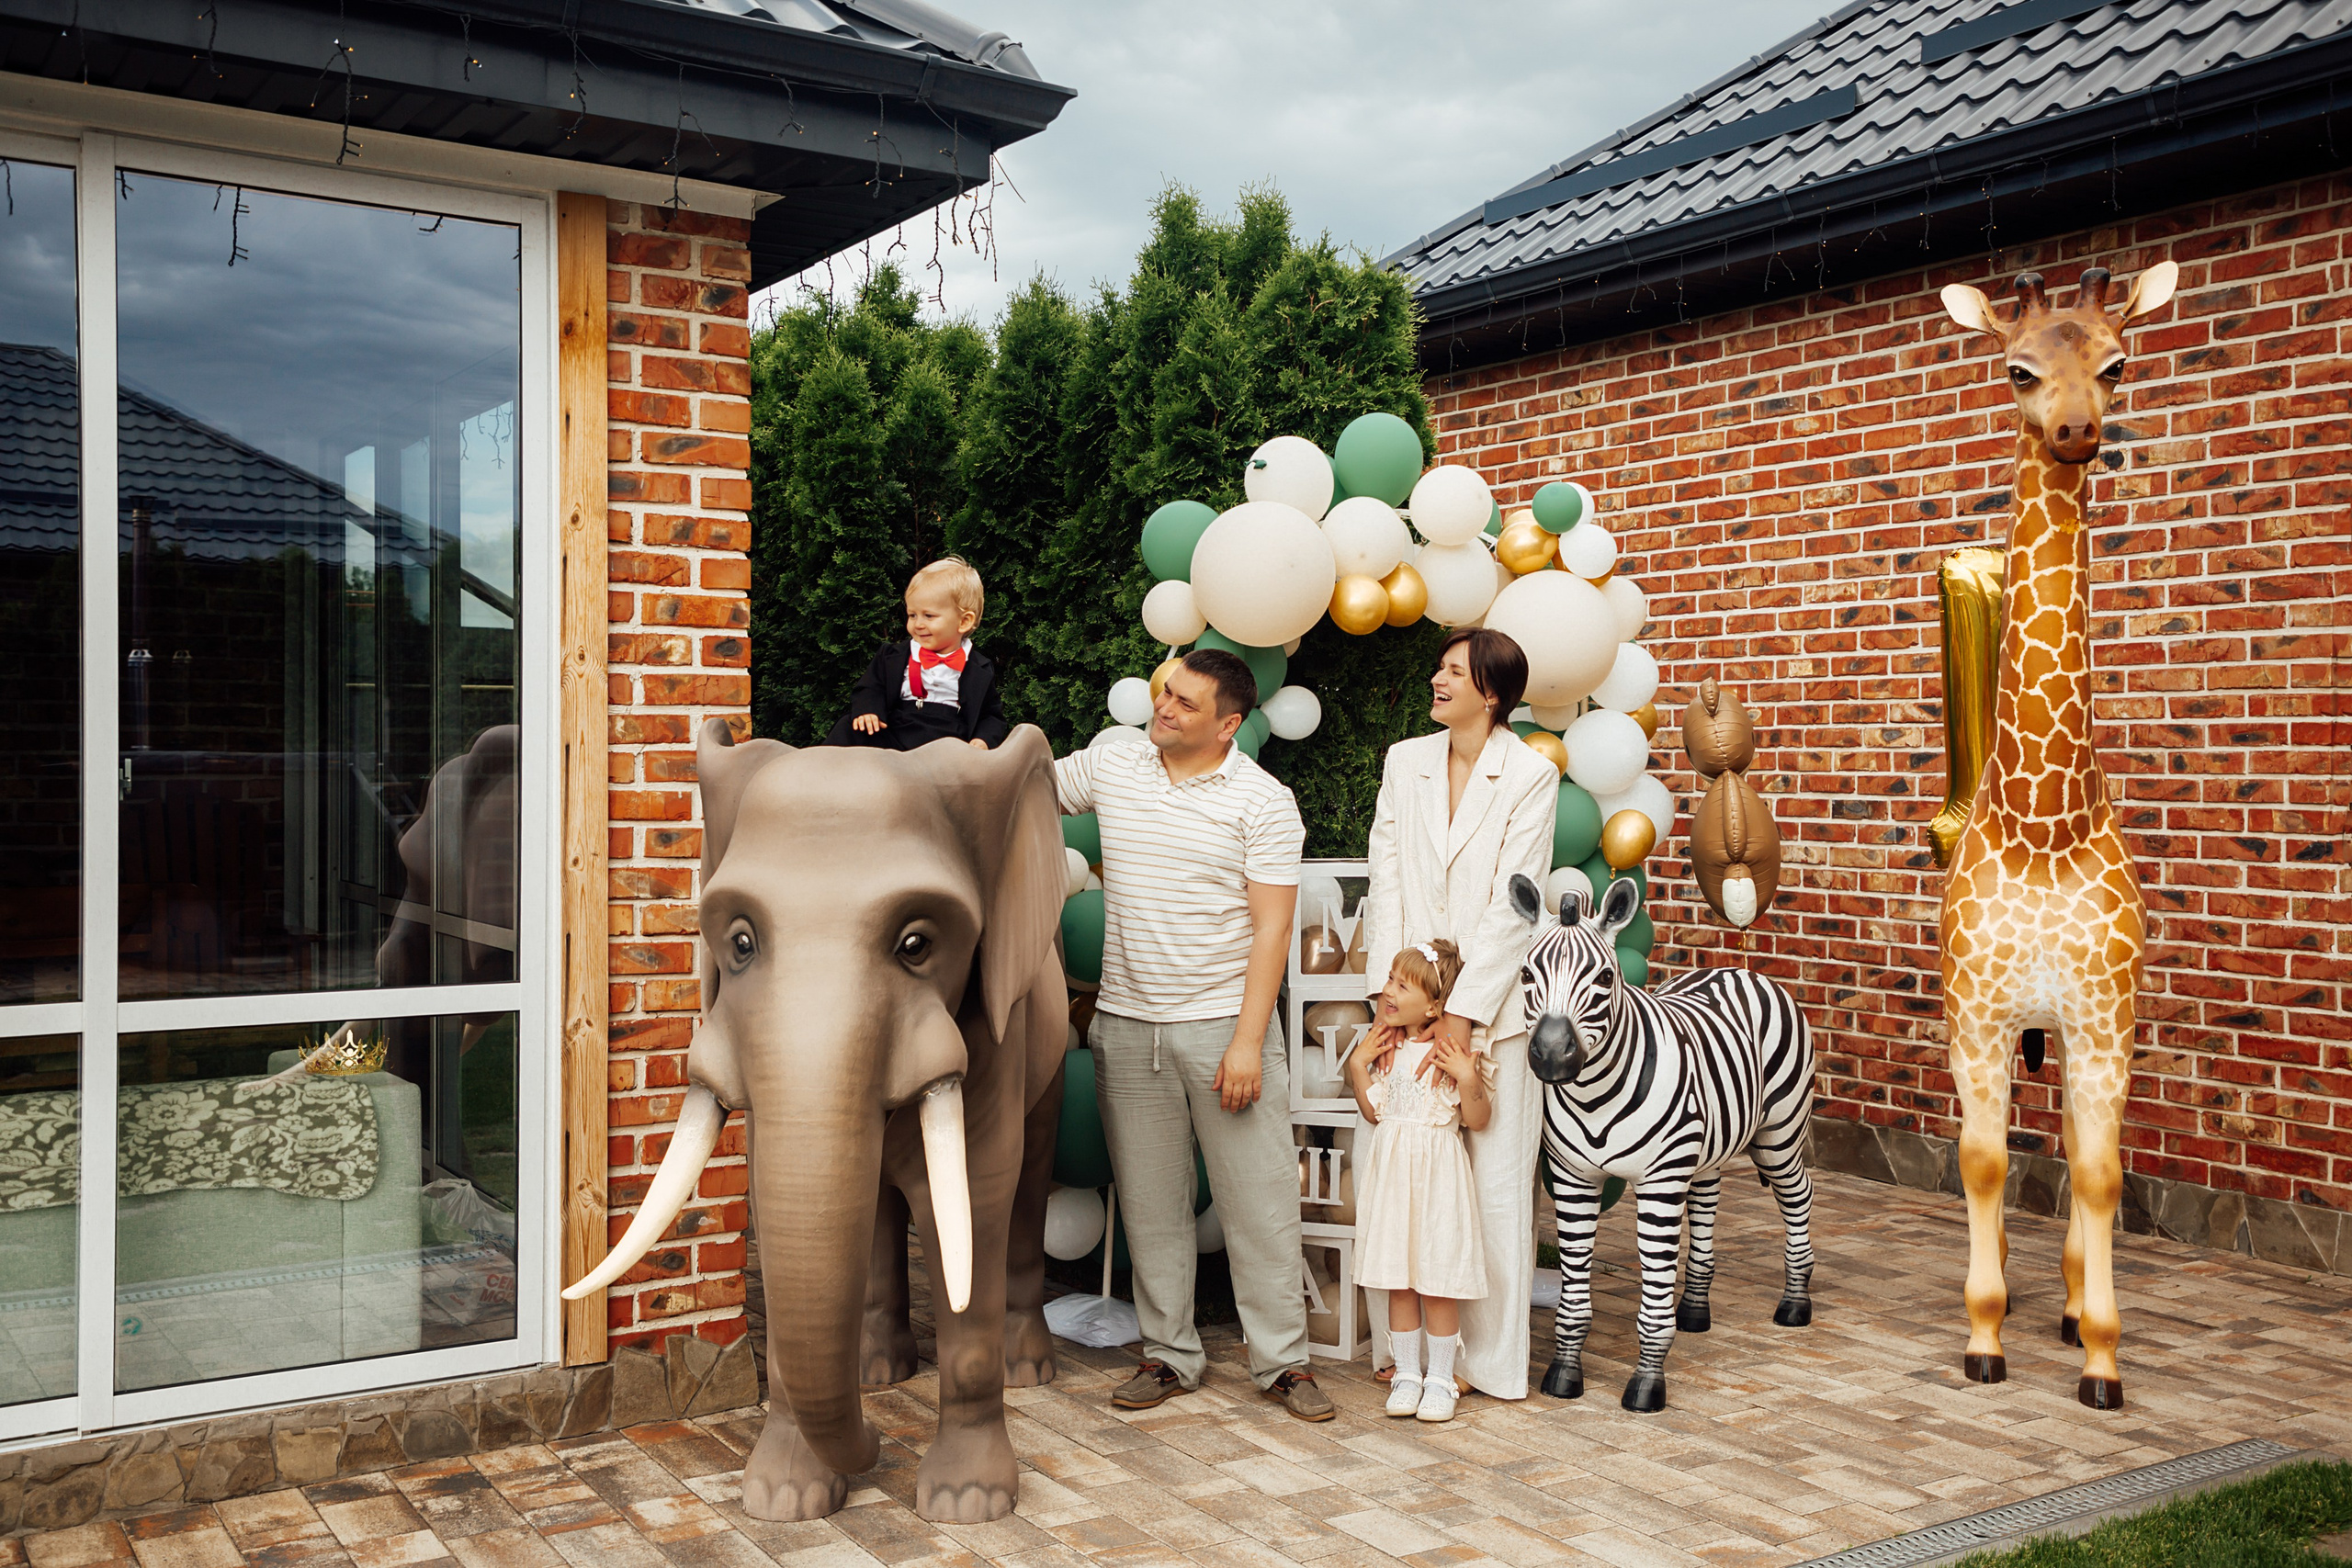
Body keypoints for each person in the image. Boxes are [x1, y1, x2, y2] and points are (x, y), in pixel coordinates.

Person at [1051, 649, 1333, 1421]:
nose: (1163, 707)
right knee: (1148, 1206)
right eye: (1164, 692)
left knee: (1260, 1204)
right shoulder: (1116, 766)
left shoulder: (1264, 802)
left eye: (1183, 702)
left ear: (1228, 724)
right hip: (1126, 1025)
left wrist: (1249, 1041)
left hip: (1222, 1030)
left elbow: (1274, 928)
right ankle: (1169, 1355)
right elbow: (1024, 778)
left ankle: (1284, 1365)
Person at [1360, 626, 1557, 1400]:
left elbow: (1516, 904)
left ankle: (1485, 1363)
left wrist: (1465, 1013)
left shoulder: (1532, 774)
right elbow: (1387, 873)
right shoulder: (1404, 761)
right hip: (1406, 1007)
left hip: (1495, 1014)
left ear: (1494, 692)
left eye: (1454, 671)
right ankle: (1407, 1355)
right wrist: (1392, 999)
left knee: (1495, 1192)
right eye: (1438, 668)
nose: (1437, 680)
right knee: (1407, 1180)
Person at [1347, 938, 1489, 1423]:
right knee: (1399, 1282)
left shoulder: (1448, 1053)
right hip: (1394, 1181)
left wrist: (1468, 1080)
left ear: (1434, 1004)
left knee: (1436, 1281)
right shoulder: (1388, 1050)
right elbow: (1373, 1113)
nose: (1387, 991)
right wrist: (1355, 1067)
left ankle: (1441, 1378)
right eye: (1389, 979)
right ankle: (1406, 1374)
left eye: (1400, 985)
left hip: (1437, 1182)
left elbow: (1477, 1119)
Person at [825, 557, 1008, 750]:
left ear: (964, 621)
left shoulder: (979, 668)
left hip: (948, 741)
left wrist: (982, 740)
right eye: (912, 615)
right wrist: (869, 711)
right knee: (848, 725)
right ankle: (817, 771)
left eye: (929, 616)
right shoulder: (892, 656)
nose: (918, 624)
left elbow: (991, 716)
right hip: (896, 732)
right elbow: (871, 687)